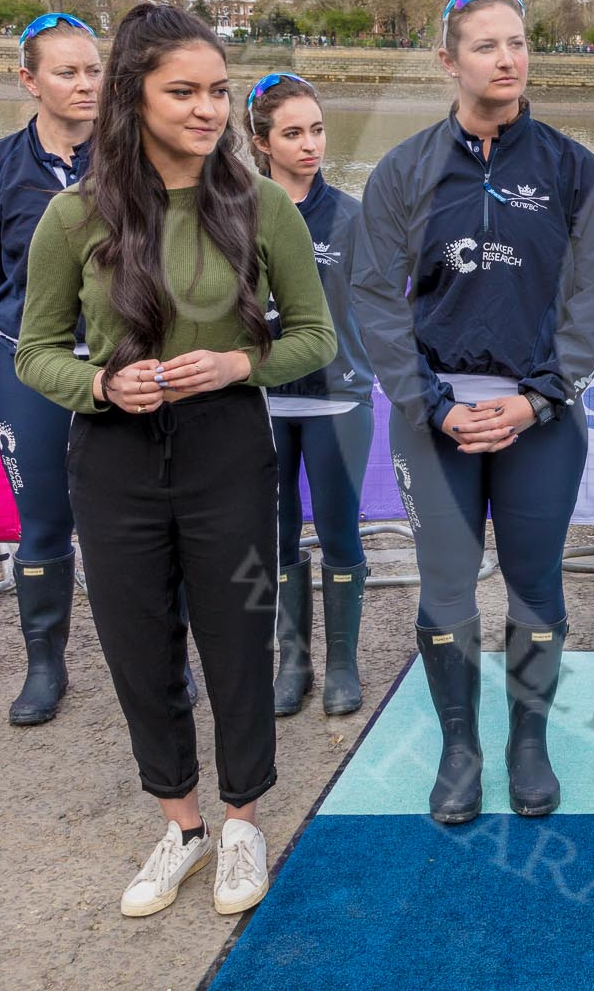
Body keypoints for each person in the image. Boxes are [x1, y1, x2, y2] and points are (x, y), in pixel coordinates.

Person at [17, 4, 335, 919]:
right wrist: (102, 387)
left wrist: (243, 361)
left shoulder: (260, 202)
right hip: (113, 454)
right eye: (183, 91)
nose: (206, 110)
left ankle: (242, 822)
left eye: (219, 91)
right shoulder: (73, 214)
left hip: (227, 448)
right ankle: (183, 825)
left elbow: (316, 334)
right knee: (136, 644)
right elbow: (35, 349)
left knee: (236, 633)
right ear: (133, 96)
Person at [352, 0, 594, 826]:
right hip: (436, 419)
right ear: (448, 61)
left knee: (536, 586)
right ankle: (461, 747)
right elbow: (373, 299)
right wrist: (430, 403)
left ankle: (527, 745)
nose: (507, 59)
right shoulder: (403, 170)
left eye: (517, 43)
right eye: (485, 46)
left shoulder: (573, 169)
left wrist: (539, 399)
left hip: (536, 420)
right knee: (446, 591)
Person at [0, 12, 100, 725]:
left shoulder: (139, 159)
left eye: (94, 70)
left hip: (120, 363)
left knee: (145, 521)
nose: (84, 84)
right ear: (29, 79)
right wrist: (23, 339)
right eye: (67, 72)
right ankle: (46, 666)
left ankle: (165, 658)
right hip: (33, 365)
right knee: (42, 523)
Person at [246, 73, 375, 717]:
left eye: (317, 131)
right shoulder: (233, 214)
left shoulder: (352, 217)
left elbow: (379, 314)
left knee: (340, 534)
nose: (309, 145)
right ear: (261, 142)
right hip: (258, 403)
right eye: (292, 133)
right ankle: (291, 661)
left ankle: (342, 665)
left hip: (337, 402)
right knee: (275, 538)